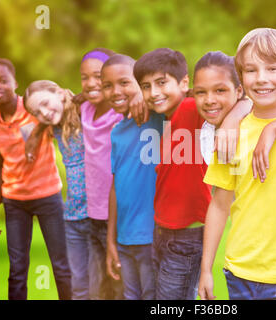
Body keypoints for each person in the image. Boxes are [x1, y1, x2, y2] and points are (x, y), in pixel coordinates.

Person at [200, 28, 276, 300]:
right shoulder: (230, 134)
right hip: (240, 274)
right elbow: (219, 204)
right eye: (251, 70)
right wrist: (205, 269)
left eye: (273, 68)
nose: (261, 79)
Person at [0, 58, 71, 300]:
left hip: (47, 197)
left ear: (15, 83)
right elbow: (1, 165)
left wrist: (40, 128)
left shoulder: (34, 106)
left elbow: (62, 106)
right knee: (17, 271)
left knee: (62, 266)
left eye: (2, 80)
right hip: (14, 202)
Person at [133, 48, 210, 300]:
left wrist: (237, 111)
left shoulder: (191, 108)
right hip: (163, 229)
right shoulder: (167, 120)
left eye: (162, 82)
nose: (153, 92)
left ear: (185, 83)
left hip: (187, 233)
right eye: (145, 86)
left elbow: (233, 92)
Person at [102, 54, 164, 300]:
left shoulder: (159, 118)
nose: (116, 91)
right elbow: (116, 187)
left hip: (153, 237)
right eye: (108, 85)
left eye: (125, 82)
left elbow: (187, 93)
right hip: (125, 240)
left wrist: (145, 95)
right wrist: (111, 242)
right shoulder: (116, 132)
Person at [23, 80, 90, 300]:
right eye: (36, 112)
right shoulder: (55, 124)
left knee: (105, 284)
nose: (43, 113)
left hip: (97, 213)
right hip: (73, 215)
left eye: (44, 103)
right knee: (78, 285)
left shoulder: (85, 111)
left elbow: (99, 98)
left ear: (61, 93)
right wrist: (35, 134)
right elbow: (47, 116)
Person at [79, 48, 124, 299]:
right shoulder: (84, 109)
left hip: (118, 217)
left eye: (98, 77)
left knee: (120, 287)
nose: (90, 83)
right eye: (84, 77)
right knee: (97, 290)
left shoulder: (122, 113)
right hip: (93, 214)